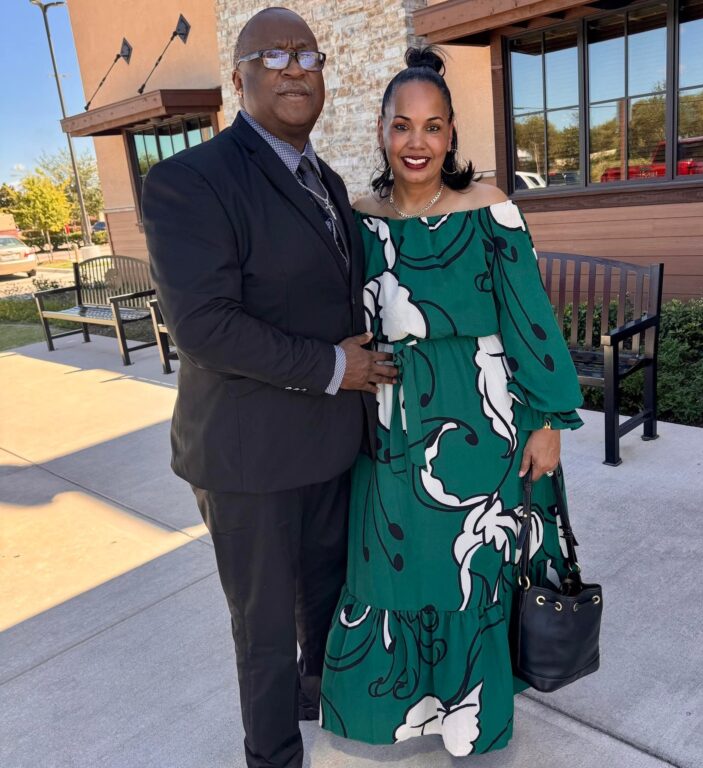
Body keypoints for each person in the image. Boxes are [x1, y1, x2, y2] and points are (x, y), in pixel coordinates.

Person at [141, 8, 394, 768]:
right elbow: (205, 326)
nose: (294, 68)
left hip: (328, 448)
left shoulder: (328, 179)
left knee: (325, 604)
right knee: (262, 629)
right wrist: (332, 366)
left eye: (308, 56)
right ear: (239, 76)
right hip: (248, 458)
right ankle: (274, 755)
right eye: (273, 54)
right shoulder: (189, 181)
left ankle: (321, 704)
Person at [319, 46, 584, 756]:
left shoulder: (490, 208)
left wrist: (548, 420)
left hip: (484, 423)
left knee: (476, 573)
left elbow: (530, 320)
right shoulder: (356, 218)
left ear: (452, 135)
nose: (417, 142)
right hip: (388, 427)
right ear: (381, 130)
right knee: (390, 565)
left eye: (433, 127)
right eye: (403, 125)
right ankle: (400, 709)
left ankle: (470, 716)